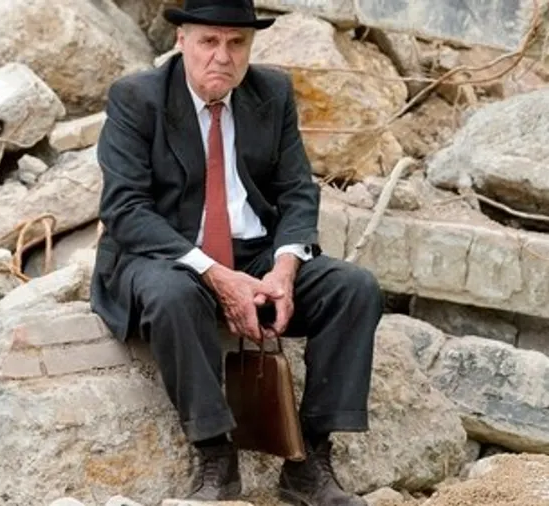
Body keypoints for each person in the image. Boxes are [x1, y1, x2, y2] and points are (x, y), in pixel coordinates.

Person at [89, 0, 384, 504]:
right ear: (181, 41)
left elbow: (297, 191)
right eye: (209, 41)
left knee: (354, 288)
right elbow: (126, 210)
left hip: (254, 254)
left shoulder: (271, 92)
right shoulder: (137, 98)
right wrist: (216, 276)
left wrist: (283, 270)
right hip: (165, 254)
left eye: (236, 43)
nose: (222, 56)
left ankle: (309, 460)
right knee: (173, 296)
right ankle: (215, 458)